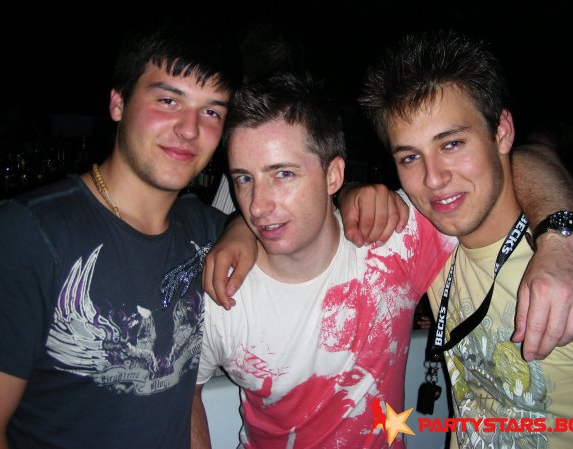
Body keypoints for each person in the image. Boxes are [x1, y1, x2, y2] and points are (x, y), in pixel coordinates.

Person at [0, 19, 256, 449]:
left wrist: (243, 228)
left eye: (211, 112)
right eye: (168, 100)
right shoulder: (30, 233)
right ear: (118, 102)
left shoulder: (203, 228)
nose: (190, 129)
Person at [192, 71, 457, 449]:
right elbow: (183, 397)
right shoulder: (221, 292)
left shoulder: (391, 237)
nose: (257, 206)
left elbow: (497, 175)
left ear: (334, 175)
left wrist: (549, 234)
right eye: (244, 179)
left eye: (283, 174)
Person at [358, 29, 573, 448]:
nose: (433, 179)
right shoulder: (425, 236)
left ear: (502, 132)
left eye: (452, 144)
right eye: (410, 156)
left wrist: (563, 239)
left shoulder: (572, 269)